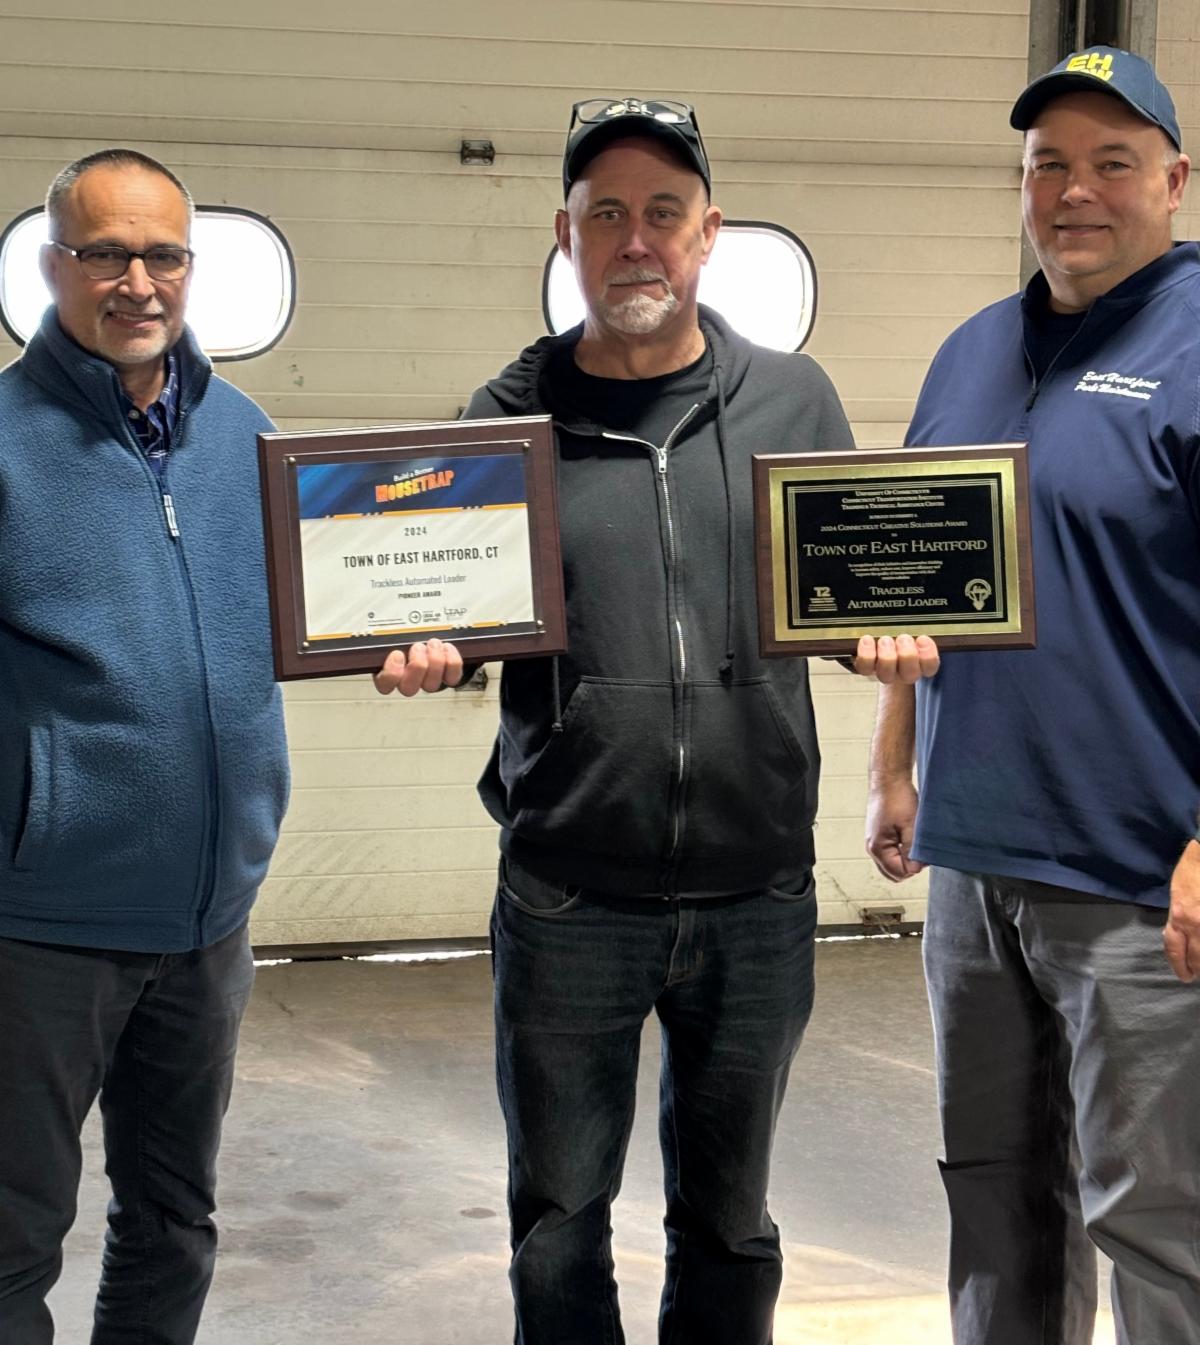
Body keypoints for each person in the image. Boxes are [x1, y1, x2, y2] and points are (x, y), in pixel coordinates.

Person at [375, 97, 936, 1344]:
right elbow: (451, 613)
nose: (637, 239)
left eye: (664, 214)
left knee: (732, 1223)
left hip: (759, 895)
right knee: (559, 1215)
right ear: (564, 235)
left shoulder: (795, 402)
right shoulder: (504, 420)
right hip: (569, 894)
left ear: (709, 233)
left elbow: (848, 594)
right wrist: (425, 650)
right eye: (607, 213)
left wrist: (885, 645)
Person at [866, 47, 1200, 1345]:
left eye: (1113, 161)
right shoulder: (972, 353)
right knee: (995, 1204)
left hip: (1136, 881)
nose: (1076, 190)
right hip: (975, 863)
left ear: (1174, 180)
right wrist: (899, 763)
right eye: (1048, 163)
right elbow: (913, 587)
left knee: (1158, 1216)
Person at [0, 149, 290, 1344]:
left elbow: (326, 606)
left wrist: (416, 642)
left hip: (211, 919)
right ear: (51, 264)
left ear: (189, 265)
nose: (136, 282)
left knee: (174, 1220)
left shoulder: (249, 438)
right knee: (13, 1235)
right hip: (46, 927)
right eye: (104, 252)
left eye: (161, 253)